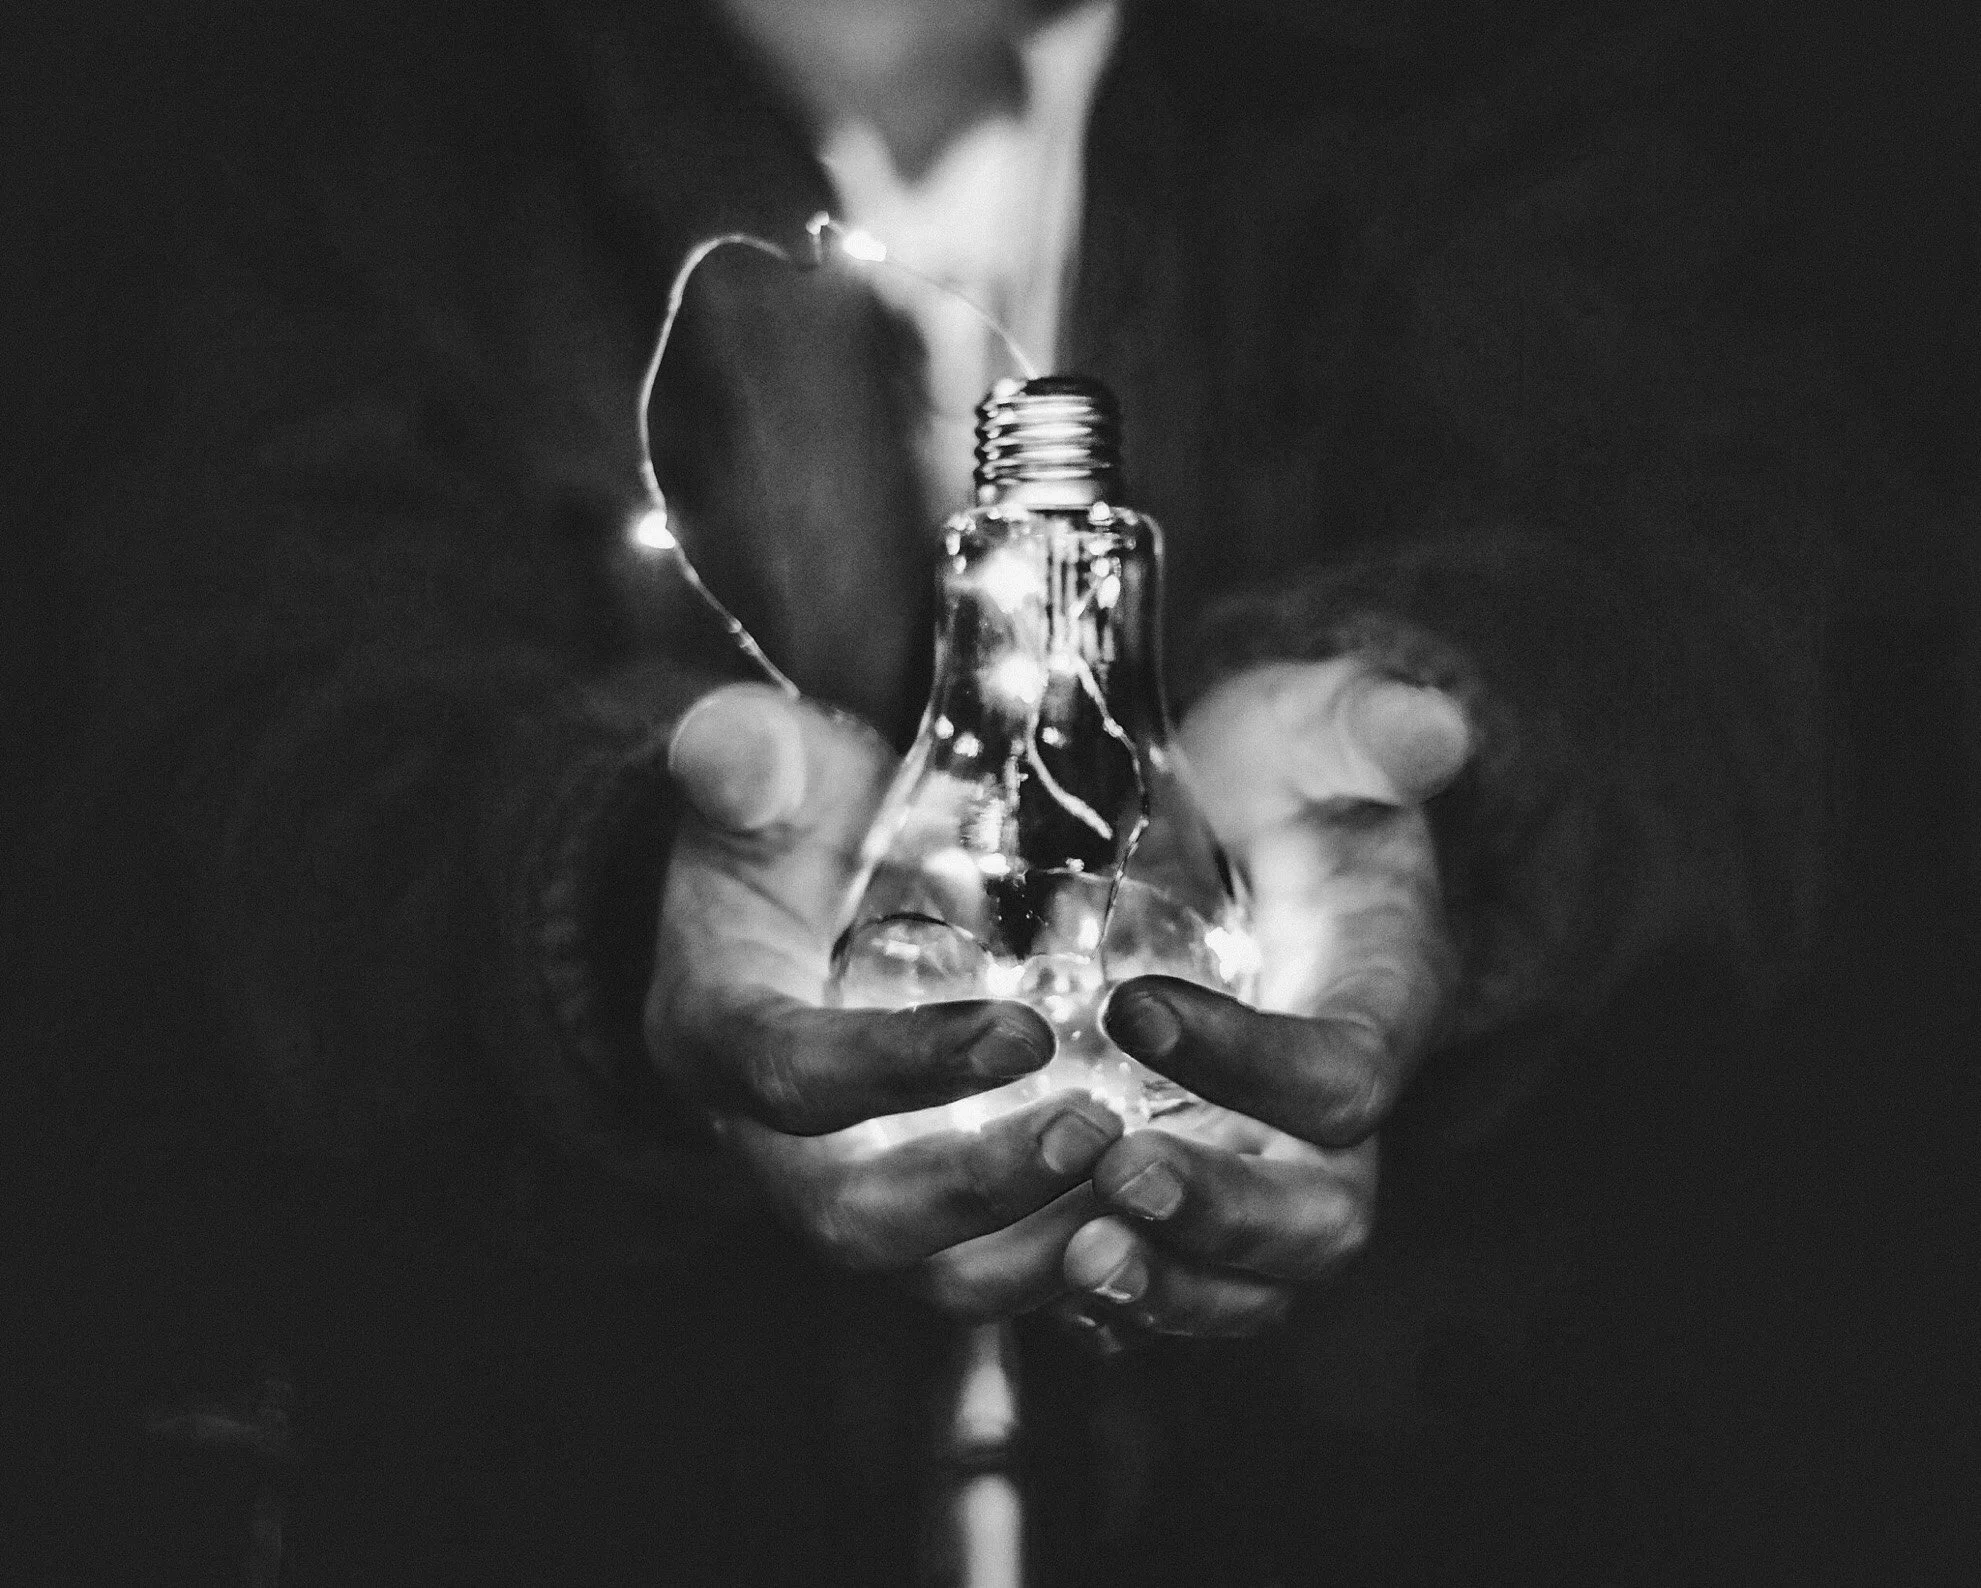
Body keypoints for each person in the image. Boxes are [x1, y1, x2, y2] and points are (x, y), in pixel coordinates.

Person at [8, 0, 1972, 1582]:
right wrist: (609, 896)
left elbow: (1755, 588)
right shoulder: (370, 139)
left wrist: (1454, 765)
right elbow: (223, 728)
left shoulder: (1469, 86)